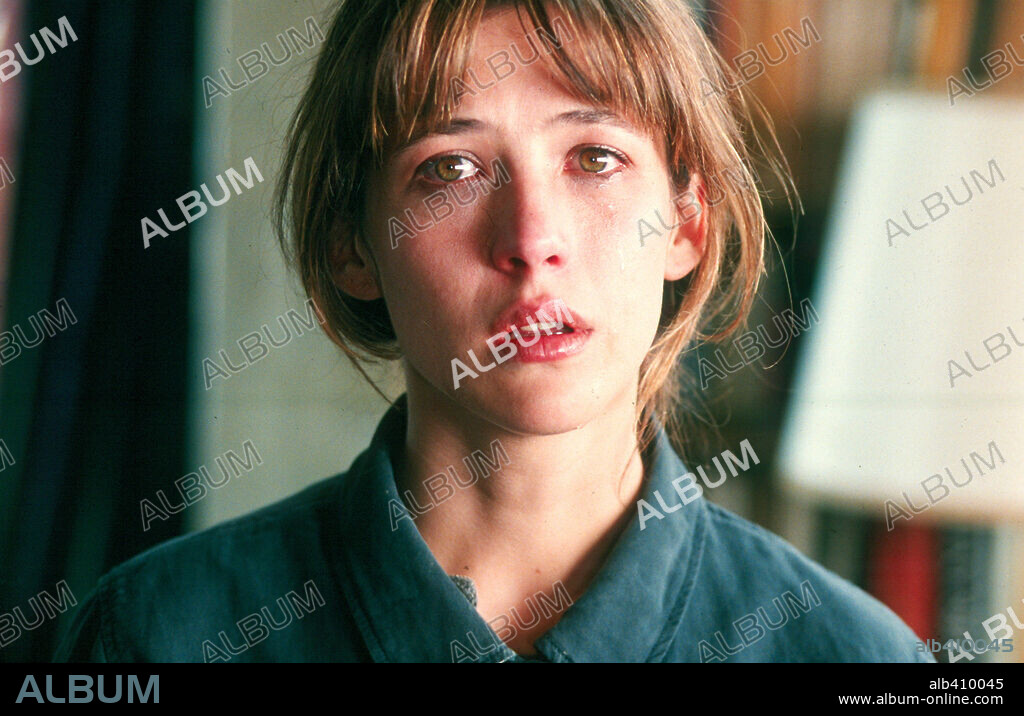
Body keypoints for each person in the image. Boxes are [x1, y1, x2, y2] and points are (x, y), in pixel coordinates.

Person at [54, 0, 931, 663]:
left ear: (687, 224)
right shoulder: (159, 632)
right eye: (453, 168)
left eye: (595, 158)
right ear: (353, 246)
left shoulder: (853, 655)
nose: (532, 241)